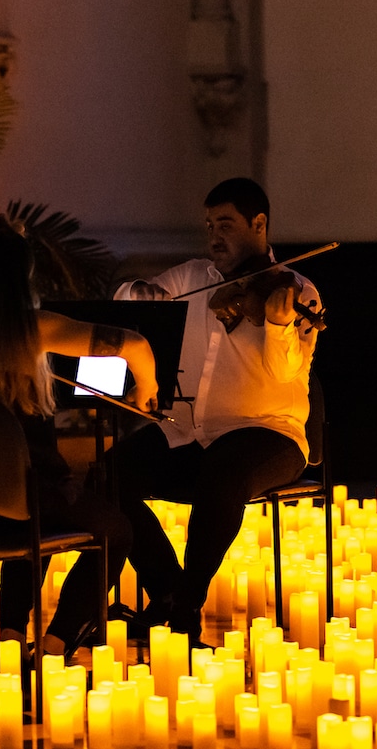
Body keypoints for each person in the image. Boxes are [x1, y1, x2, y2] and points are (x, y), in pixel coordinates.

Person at [0, 226, 160, 661]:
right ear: (20, 281)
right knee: (115, 531)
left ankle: (12, 641)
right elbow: (136, 345)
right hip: (20, 502)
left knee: (38, 511)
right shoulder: (33, 330)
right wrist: (145, 387)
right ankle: (55, 644)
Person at [110, 177, 321, 645]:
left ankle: (186, 609)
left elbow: (284, 372)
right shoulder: (191, 278)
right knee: (110, 477)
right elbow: (129, 302)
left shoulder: (296, 290)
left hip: (269, 434)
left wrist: (280, 322)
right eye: (208, 225)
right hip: (191, 432)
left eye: (225, 224)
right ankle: (166, 587)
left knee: (223, 475)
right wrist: (138, 294)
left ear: (259, 224)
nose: (214, 235)